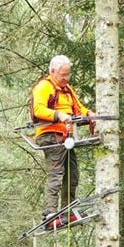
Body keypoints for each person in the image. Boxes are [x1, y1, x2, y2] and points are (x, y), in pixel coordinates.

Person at [31, 55, 96, 229]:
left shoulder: (67, 89)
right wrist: (59, 115)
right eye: (63, 75)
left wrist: (88, 113)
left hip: (66, 137)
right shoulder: (44, 87)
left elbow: (78, 108)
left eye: (68, 74)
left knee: (72, 173)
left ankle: (68, 210)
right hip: (50, 135)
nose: (66, 78)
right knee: (56, 173)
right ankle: (50, 213)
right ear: (52, 71)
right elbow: (38, 109)